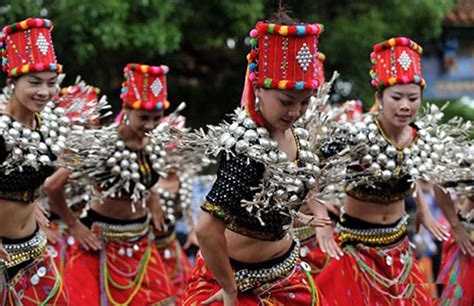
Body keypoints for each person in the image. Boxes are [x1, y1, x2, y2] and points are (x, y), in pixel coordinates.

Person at [175, 11, 334, 306]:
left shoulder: (296, 137)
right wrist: (230, 288)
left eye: (304, 102)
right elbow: (207, 230)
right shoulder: (247, 149)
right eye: (286, 102)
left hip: (288, 277)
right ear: (258, 88)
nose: (296, 112)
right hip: (237, 283)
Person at [313, 37, 468, 305]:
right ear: (379, 97)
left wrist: (427, 209)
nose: (405, 106)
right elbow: (308, 169)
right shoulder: (356, 135)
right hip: (355, 245)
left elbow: (426, 174)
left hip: (399, 246)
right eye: (396, 97)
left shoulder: (421, 138)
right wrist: (321, 220)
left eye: (413, 98)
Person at [44, 63, 175, 305]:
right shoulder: (101, 143)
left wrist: (153, 198)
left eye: (157, 118)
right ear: (126, 111)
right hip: (99, 240)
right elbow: (52, 186)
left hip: (141, 241)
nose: (150, 125)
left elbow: (141, 178)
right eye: (143, 118)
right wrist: (73, 225)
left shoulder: (153, 144)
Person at [0, 18, 69, 305]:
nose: (44, 92)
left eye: (51, 83)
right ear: (12, 81)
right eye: (34, 82)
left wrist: (32, 199)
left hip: (35, 250)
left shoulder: (49, 124)